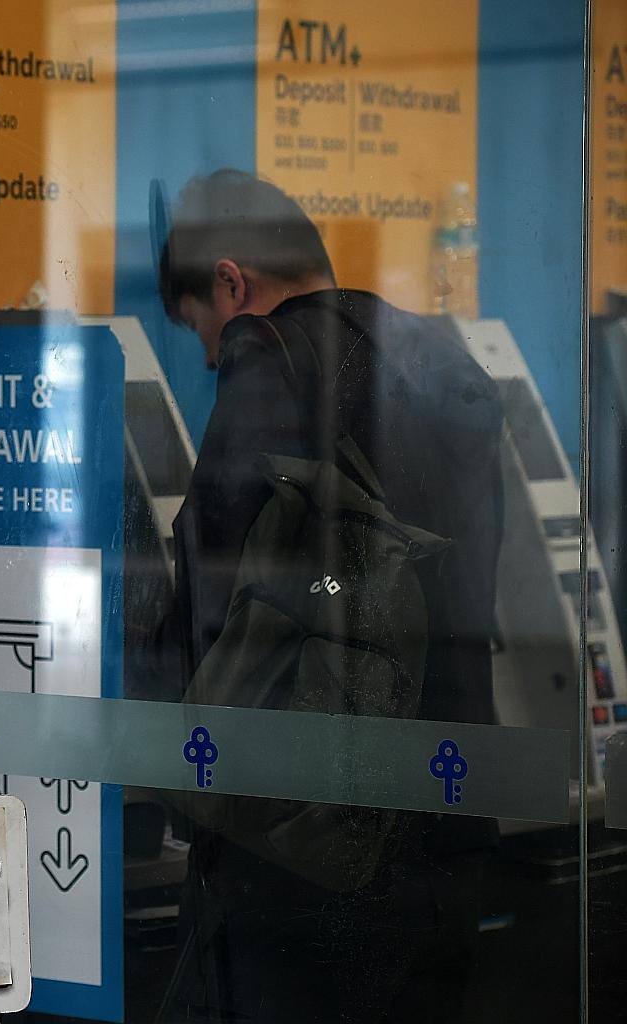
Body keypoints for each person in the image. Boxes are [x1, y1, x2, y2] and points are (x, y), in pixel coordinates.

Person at [151, 169, 505, 1022]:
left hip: (316, 844)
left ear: (231, 282)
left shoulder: (273, 359)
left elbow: (211, 594)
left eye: (203, 329)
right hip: (451, 820)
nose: (208, 355)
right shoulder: (436, 356)